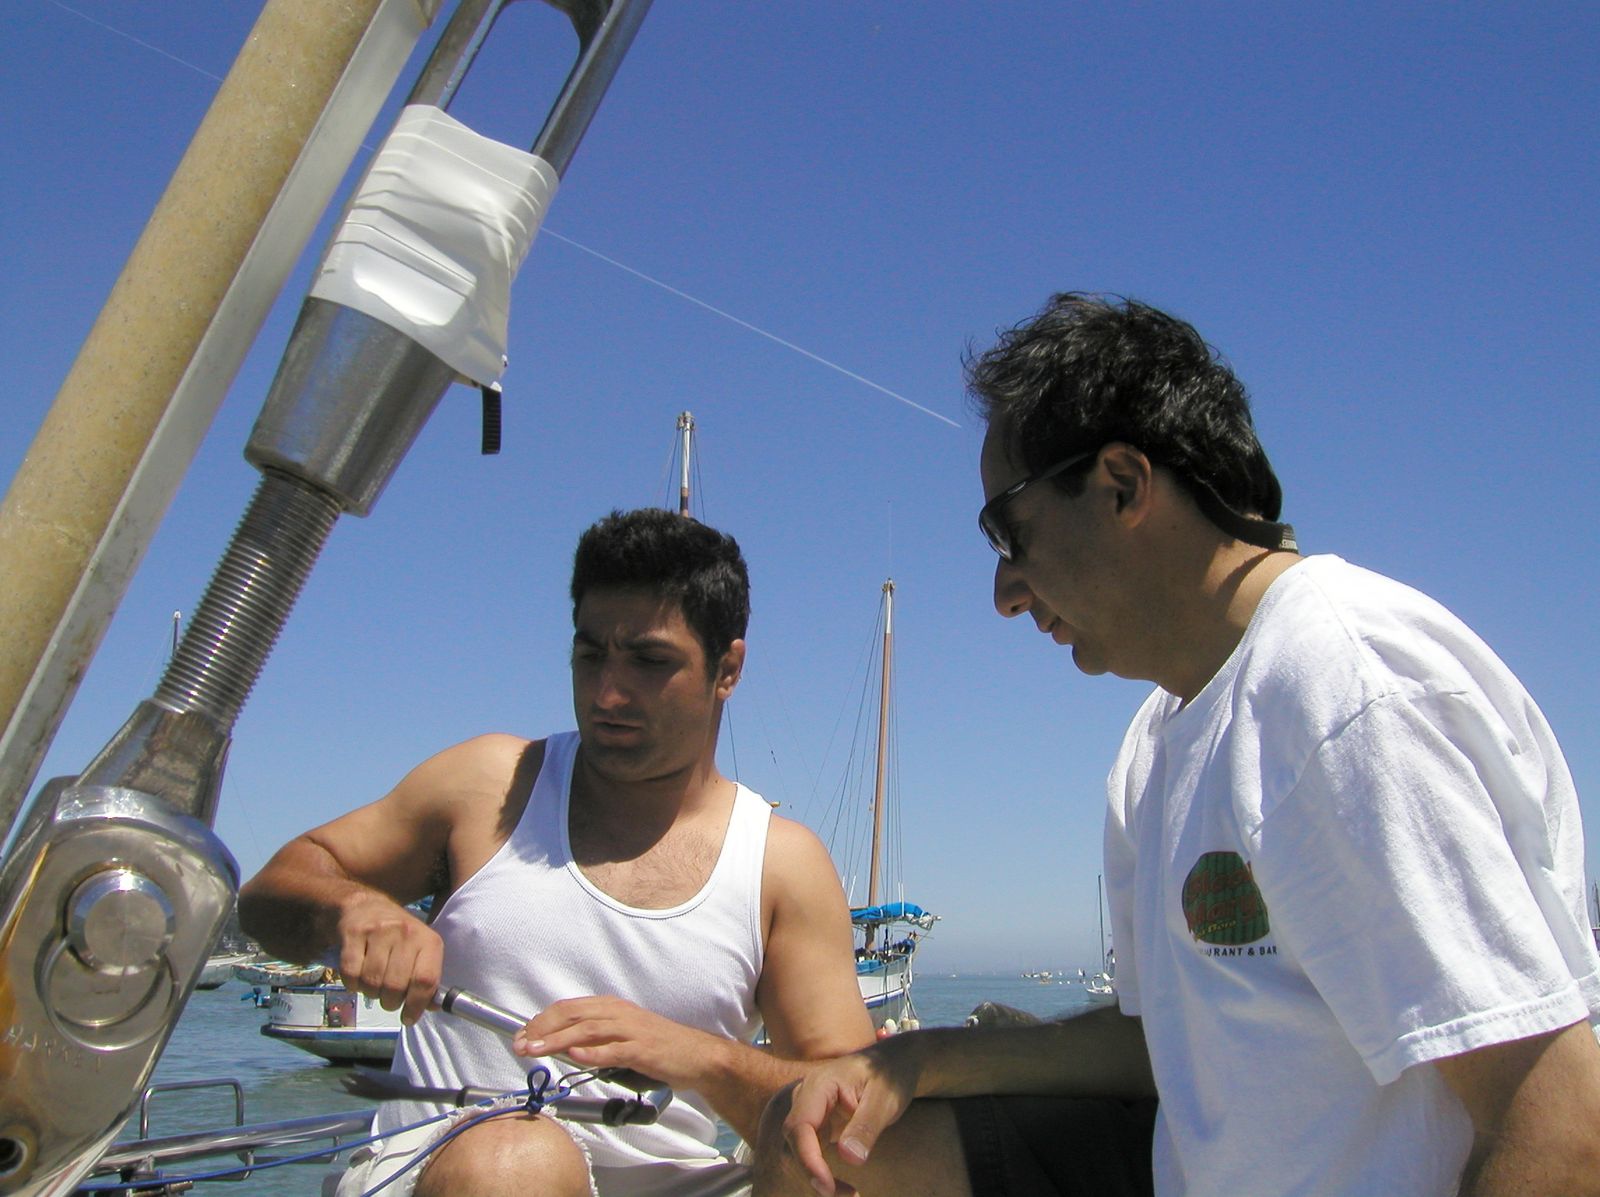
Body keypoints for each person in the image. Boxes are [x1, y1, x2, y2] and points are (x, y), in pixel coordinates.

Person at [754, 294, 1600, 1197]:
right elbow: (1168, 1043)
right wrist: (917, 1060)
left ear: (1122, 484)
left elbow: (1559, 1125)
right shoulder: (1158, 742)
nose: (1004, 592)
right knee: (808, 1147)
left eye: (1009, 532)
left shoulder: (1346, 692)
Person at [240, 507, 874, 1197]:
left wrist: (702, 1058)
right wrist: (351, 908)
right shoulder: (488, 785)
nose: (607, 693)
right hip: (455, 1170)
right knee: (518, 1163)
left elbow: (856, 1121)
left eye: (649, 661)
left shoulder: (782, 866)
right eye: (590, 654)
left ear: (728, 668)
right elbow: (271, 893)